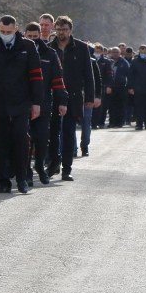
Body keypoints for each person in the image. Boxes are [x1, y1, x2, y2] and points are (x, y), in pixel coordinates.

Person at [0, 15, 43, 194]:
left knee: (21, 140)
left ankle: (22, 179)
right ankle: (4, 181)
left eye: (9, 31)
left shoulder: (28, 46)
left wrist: (36, 102)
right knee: (1, 142)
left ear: (16, 29)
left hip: (21, 101)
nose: (6, 34)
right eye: (3, 31)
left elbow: (36, 77)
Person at [48, 16, 95, 182]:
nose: (62, 33)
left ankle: (66, 169)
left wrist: (90, 97)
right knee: (53, 134)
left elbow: (89, 75)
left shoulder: (81, 48)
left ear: (70, 30)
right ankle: (53, 163)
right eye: (59, 29)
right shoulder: (50, 48)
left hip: (73, 98)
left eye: (65, 29)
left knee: (68, 133)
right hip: (53, 97)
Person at [24, 22, 67, 184]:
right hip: (23, 103)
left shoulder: (50, 53)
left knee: (42, 138)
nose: (33, 39)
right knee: (25, 139)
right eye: (30, 37)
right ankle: (26, 169)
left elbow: (58, 79)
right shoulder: (20, 52)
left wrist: (62, 101)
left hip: (44, 103)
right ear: (25, 35)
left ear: (40, 35)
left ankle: (40, 165)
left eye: (35, 36)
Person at [80, 46, 101, 156]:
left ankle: (84, 146)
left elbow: (98, 81)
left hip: (88, 97)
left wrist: (97, 96)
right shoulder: (73, 60)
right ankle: (72, 149)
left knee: (86, 122)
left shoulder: (93, 62)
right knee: (70, 124)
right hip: (75, 96)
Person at [107, 46, 130, 127]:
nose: (115, 54)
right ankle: (112, 122)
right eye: (113, 52)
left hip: (121, 87)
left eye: (117, 52)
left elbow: (129, 75)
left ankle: (120, 122)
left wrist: (128, 87)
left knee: (121, 106)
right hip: (110, 87)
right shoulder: (108, 62)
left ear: (120, 53)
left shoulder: (124, 63)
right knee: (111, 106)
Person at [93, 43, 112, 129]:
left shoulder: (106, 62)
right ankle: (91, 122)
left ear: (102, 52)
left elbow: (109, 75)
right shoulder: (90, 60)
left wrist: (109, 86)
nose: (97, 53)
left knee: (101, 106)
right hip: (91, 85)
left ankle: (100, 122)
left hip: (102, 86)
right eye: (95, 51)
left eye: (98, 51)